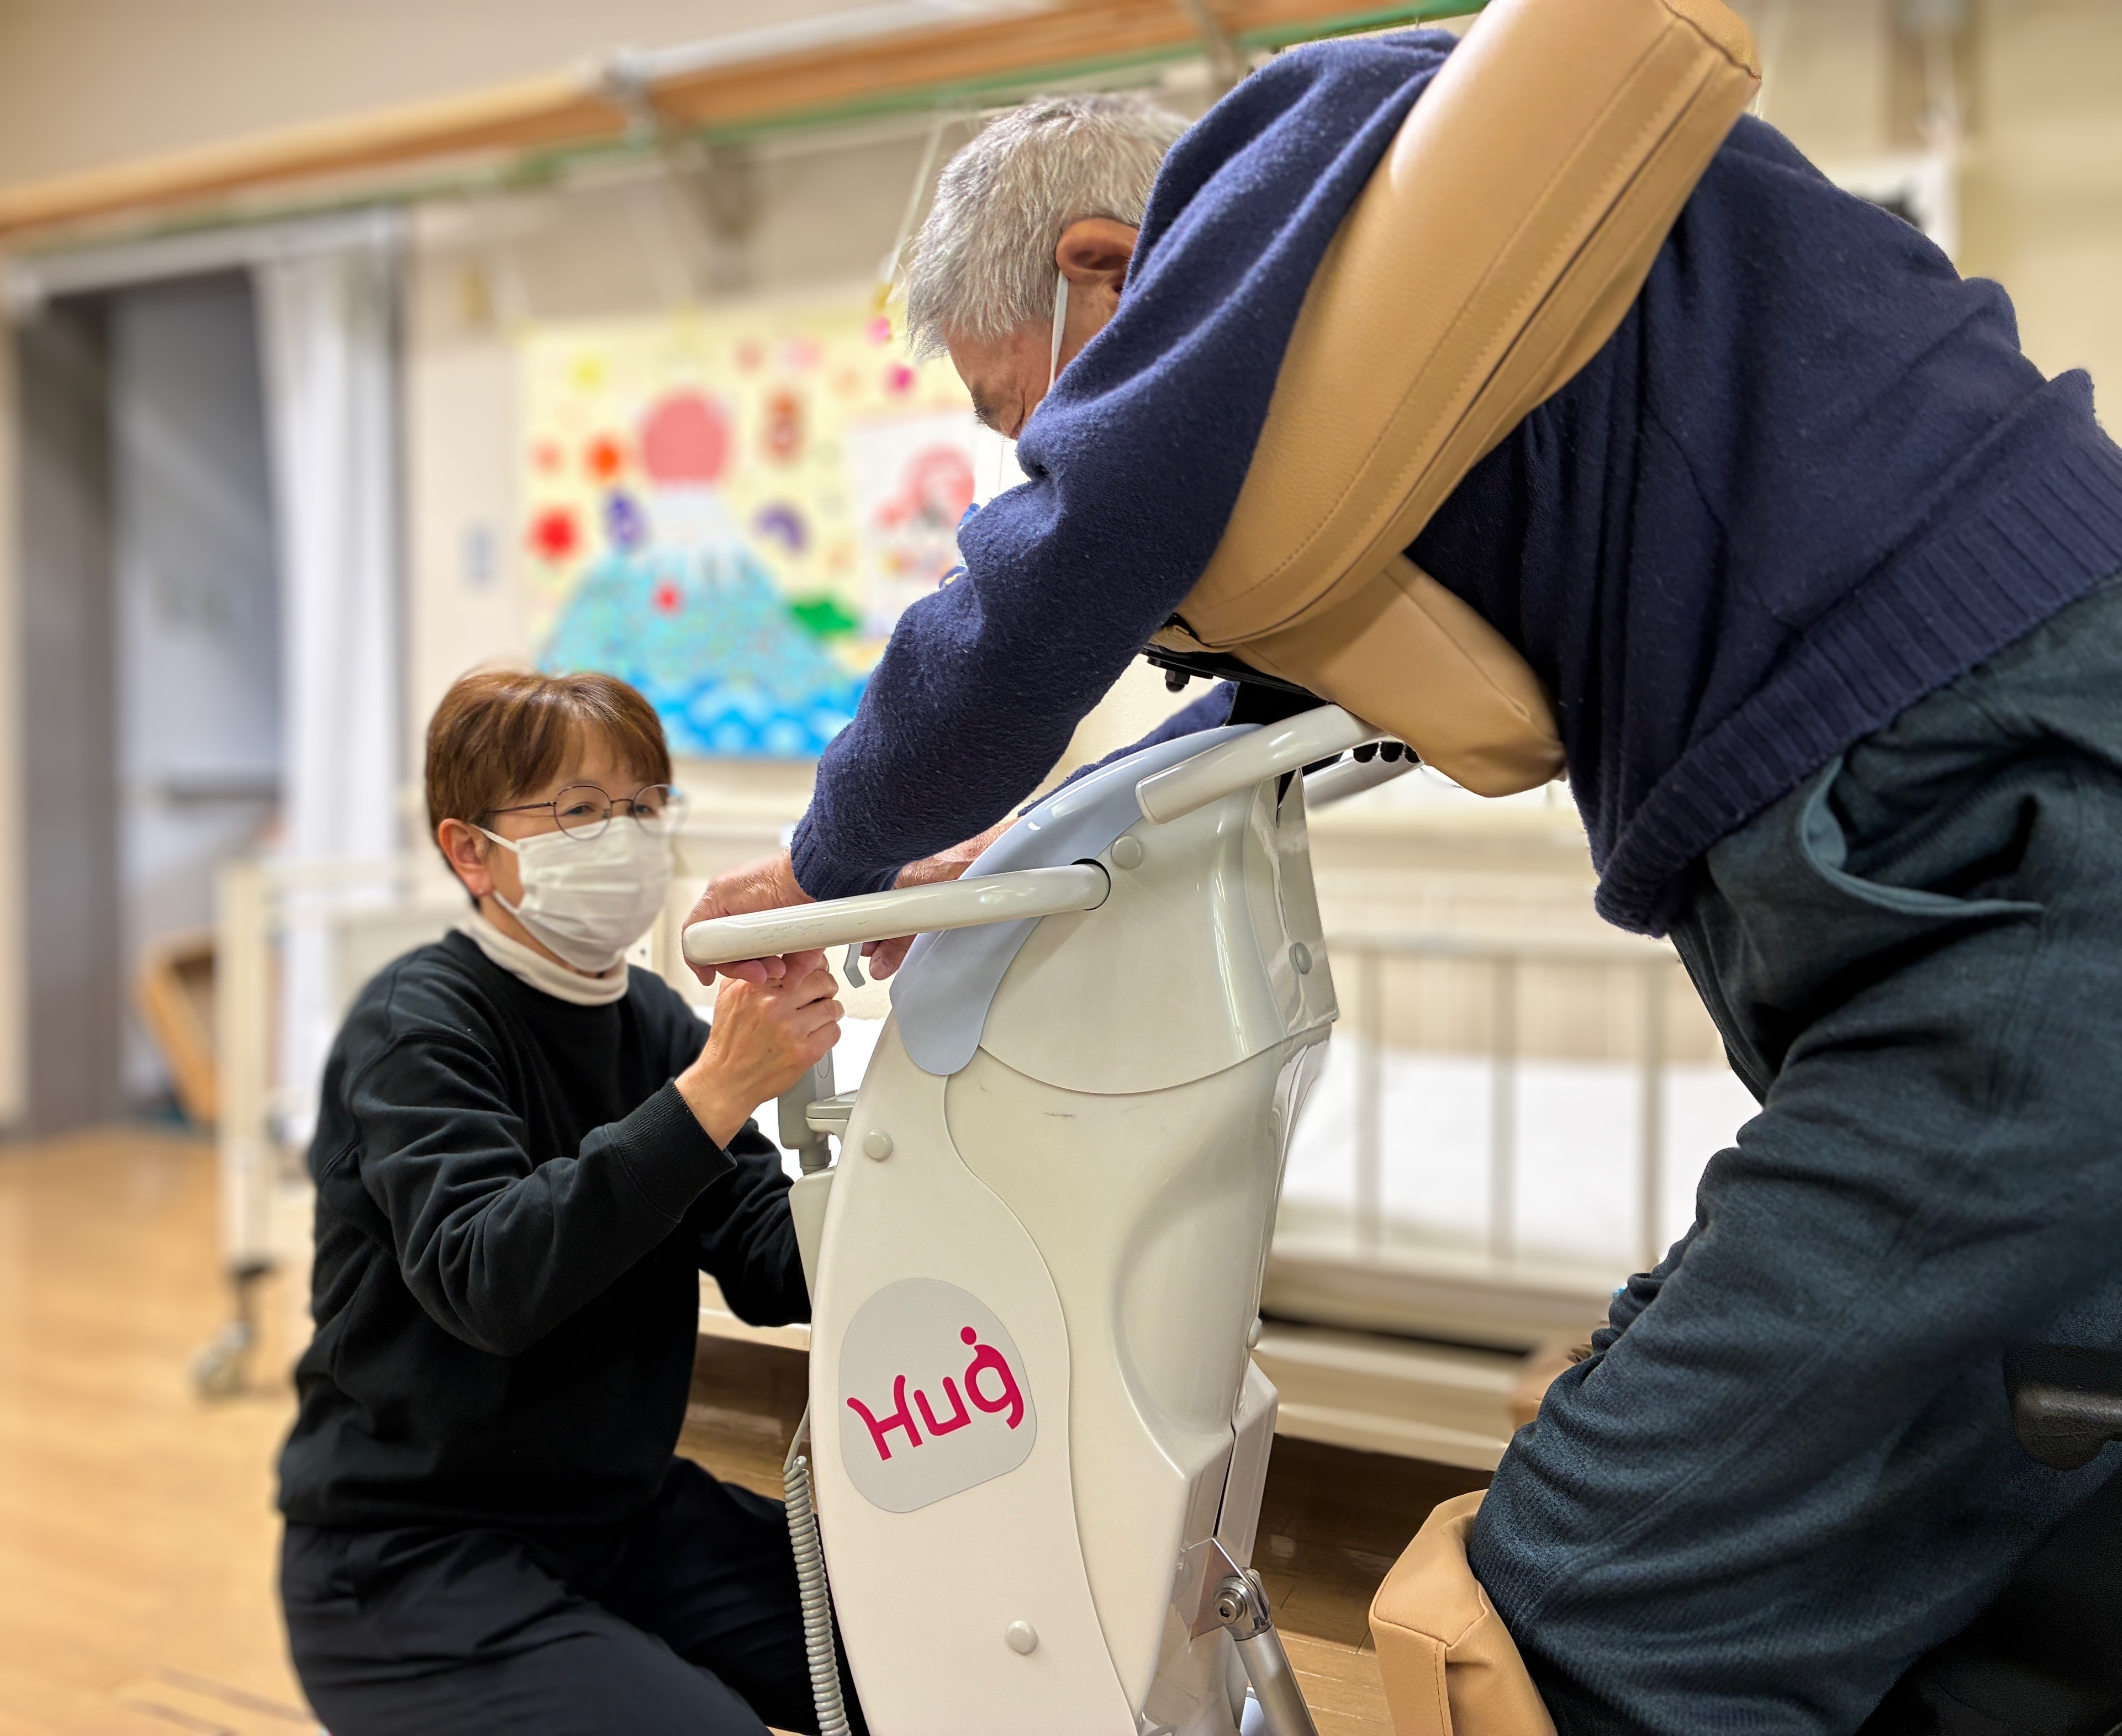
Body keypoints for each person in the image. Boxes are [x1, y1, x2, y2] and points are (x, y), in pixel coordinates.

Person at [685, 43, 2122, 1736]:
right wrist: (997, 854)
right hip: (1969, 838)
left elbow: (1072, 558)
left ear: (1102, 269)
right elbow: (1297, 671)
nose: (1036, 463)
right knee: (2005, 1615)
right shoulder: (1447, 313)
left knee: (1557, 1619)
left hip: (1994, 851)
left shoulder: (1291, 144)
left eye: (1027, 416)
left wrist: (830, 858)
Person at [277, 668, 862, 1736]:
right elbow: (491, 1279)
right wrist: (718, 1091)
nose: (627, 836)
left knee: (912, 1652)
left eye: (644, 807)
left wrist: (902, 1152)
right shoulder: (416, 1028)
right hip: (412, 1552)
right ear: (470, 851)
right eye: (582, 812)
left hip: (619, 1513)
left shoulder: (653, 1027)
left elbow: (773, 1266)